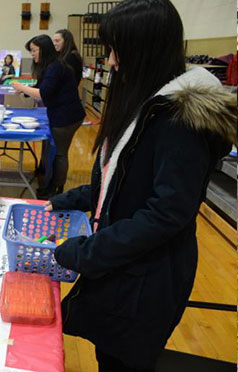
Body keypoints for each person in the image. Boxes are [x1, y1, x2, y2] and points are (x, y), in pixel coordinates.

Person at [44, 0, 237, 371]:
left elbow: (167, 213)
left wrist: (87, 251)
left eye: (117, 50)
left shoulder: (178, 121)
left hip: (147, 278)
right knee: (109, 355)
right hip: (124, 264)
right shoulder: (146, 103)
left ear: (144, 50)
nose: (112, 62)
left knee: (122, 360)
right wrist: (69, 199)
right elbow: (123, 179)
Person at [12, 34, 85, 197]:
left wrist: (22, 88)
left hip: (67, 117)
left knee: (60, 153)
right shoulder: (51, 65)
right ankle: (51, 184)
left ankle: (56, 190)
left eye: (34, 51)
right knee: (58, 152)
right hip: (63, 114)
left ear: (43, 49)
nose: (32, 55)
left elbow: (43, 93)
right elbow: (41, 86)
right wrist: (24, 91)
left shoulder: (55, 67)